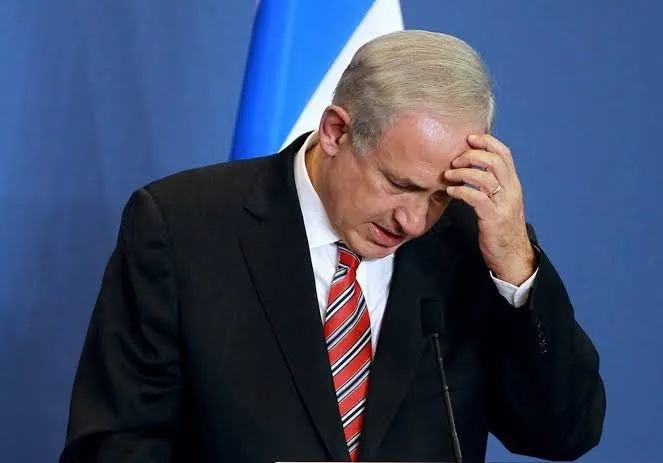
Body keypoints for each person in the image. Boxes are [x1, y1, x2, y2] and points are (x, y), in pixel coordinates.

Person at [60, 30, 605, 462]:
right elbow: (115, 445)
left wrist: (515, 264)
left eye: (440, 196)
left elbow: (564, 433)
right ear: (337, 132)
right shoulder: (183, 227)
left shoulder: (473, 245)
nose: (415, 221)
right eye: (400, 184)